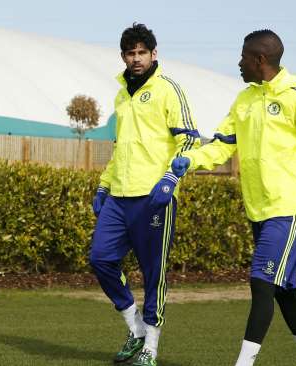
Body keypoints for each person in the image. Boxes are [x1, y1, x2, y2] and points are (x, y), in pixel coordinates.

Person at [171, 29, 296, 366]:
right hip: (258, 210)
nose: (239, 62)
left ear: (260, 60)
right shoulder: (245, 100)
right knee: (283, 289)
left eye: (243, 56)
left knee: (261, 282)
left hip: (287, 208)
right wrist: (191, 159)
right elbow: (223, 144)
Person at [89, 23, 200, 366]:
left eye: (142, 52)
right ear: (123, 56)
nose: (136, 59)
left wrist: (170, 178)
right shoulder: (121, 95)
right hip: (119, 197)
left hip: (154, 197)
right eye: (130, 53)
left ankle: (150, 345)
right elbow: (121, 146)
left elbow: (190, 139)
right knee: (100, 259)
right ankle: (135, 327)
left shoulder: (168, 90)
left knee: (154, 273)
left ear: (154, 54)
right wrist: (104, 184)